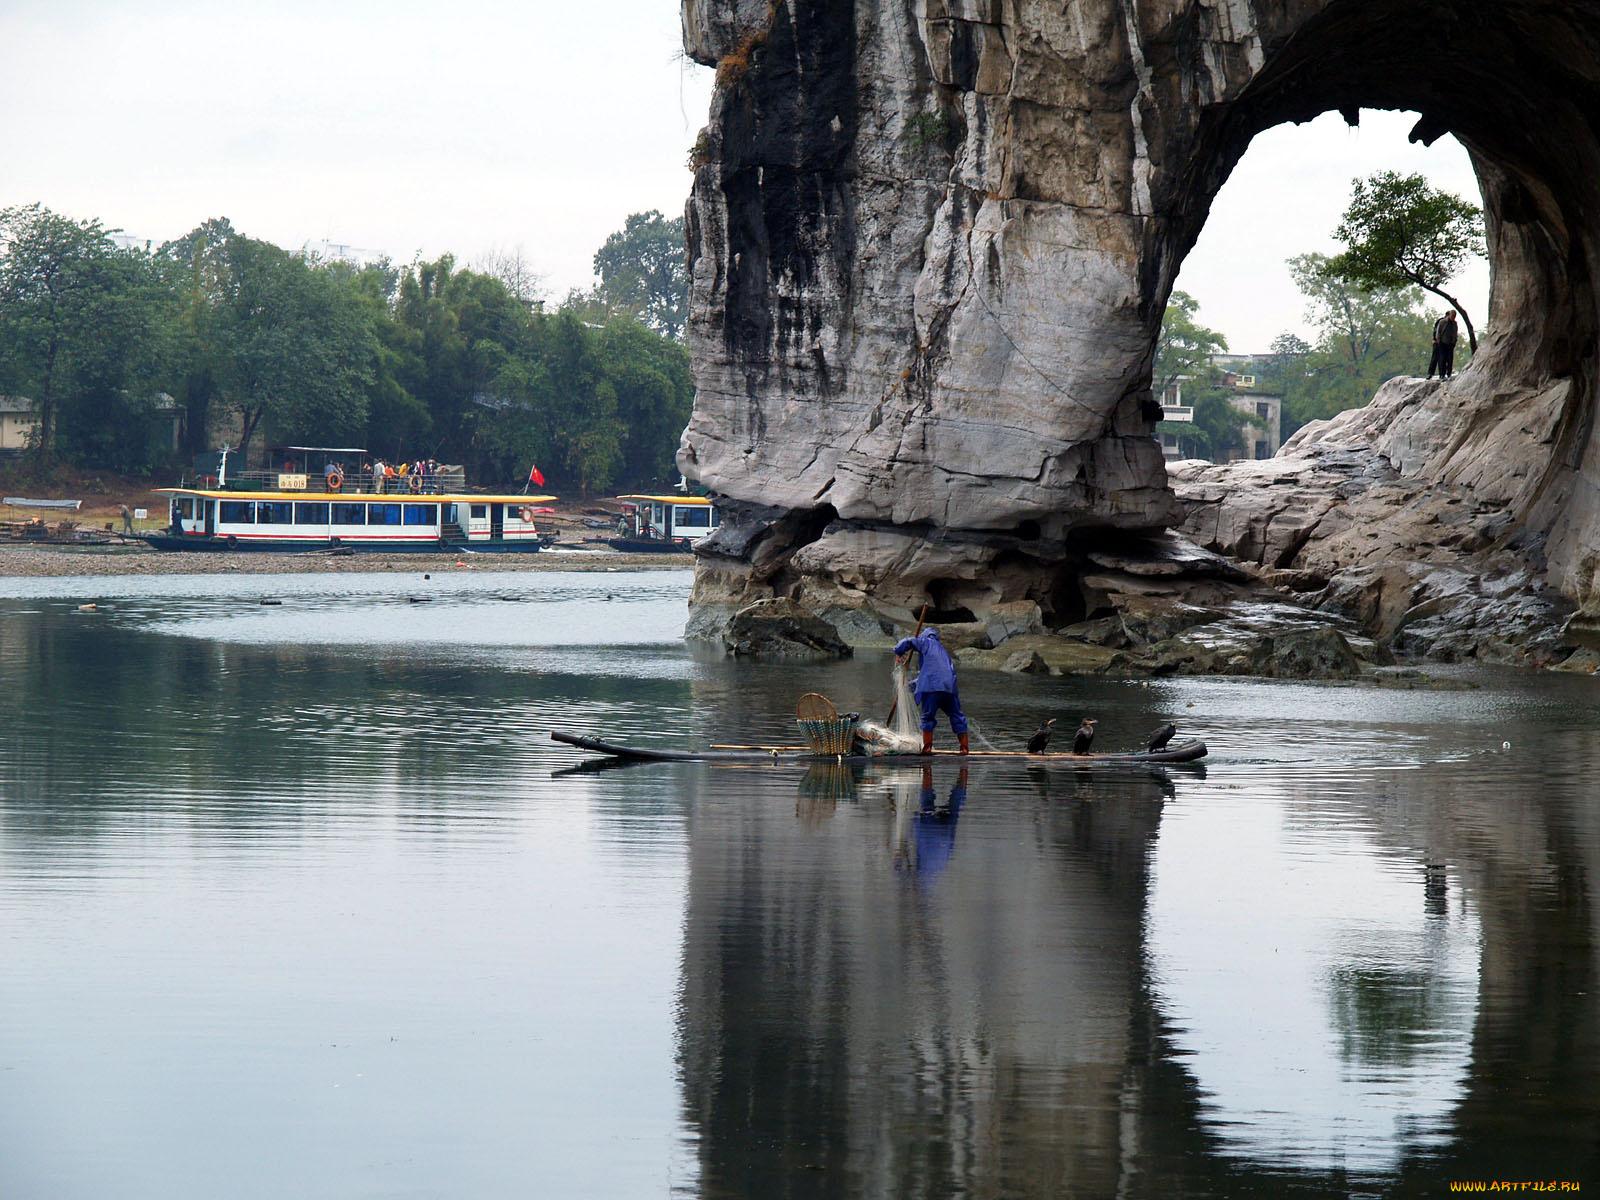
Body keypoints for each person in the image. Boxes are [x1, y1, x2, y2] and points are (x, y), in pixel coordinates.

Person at [894, 626, 969, 755]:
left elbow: (909, 641)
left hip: (932, 688)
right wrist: (907, 686)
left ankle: (927, 748)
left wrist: (899, 652)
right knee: (956, 715)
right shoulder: (943, 652)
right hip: (949, 687)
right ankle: (964, 748)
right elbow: (930, 675)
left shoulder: (926, 642)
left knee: (928, 716)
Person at [1427, 310, 1459, 379]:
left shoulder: (1454, 323)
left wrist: (1454, 341)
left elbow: (1455, 333)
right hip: (1441, 343)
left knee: (1449, 359)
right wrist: (1437, 340)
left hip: (1450, 343)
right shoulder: (1441, 322)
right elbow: (1437, 331)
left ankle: (1448, 373)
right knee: (1439, 359)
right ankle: (1436, 374)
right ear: (1448, 315)